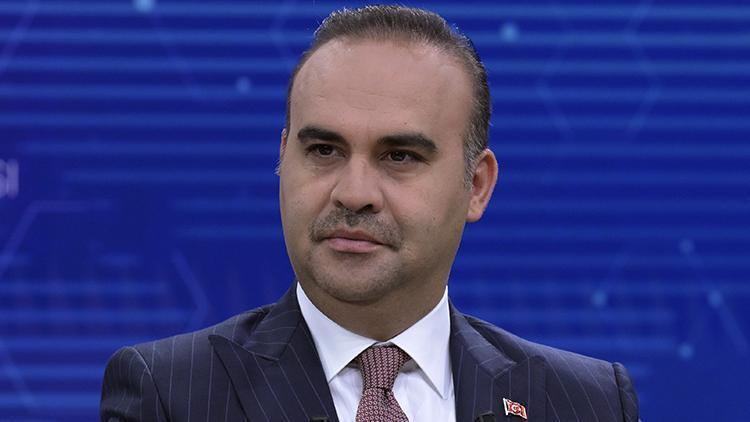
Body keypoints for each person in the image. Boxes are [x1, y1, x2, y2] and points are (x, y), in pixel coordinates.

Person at [100, 5, 639, 422]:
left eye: (399, 156)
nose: (354, 193)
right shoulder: (170, 394)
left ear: (476, 186)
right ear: (282, 159)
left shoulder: (585, 402)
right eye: (324, 150)